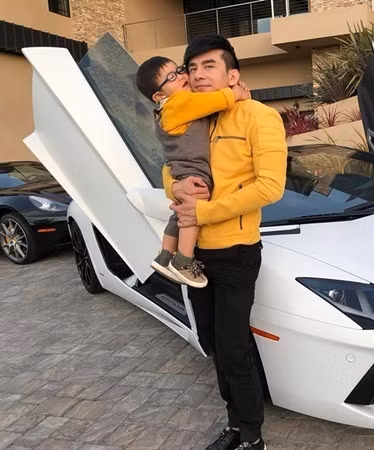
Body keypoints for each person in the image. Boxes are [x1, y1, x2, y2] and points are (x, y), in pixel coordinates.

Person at [164, 35, 287, 450]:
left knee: (234, 346)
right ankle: (235, 424)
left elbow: (270, 187)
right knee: (214, 344)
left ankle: (251, 436)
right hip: (195, 255)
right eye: (192, 68)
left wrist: (203, 212)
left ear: (232, 75)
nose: (198, 74)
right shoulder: (192, 117)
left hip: (235, 253)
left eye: (209, 66)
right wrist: (176, 186)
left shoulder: (259, 117)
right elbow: (168, 167)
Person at [135, 56, 250, 287]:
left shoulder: (167, 109)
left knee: (179, 214)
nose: (181, 76)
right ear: (158, 95)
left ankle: (165, 255)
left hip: (179, 170)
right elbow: (215, 101)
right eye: (171, 77)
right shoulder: (179, 102)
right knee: (192, 214)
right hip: (193, 171)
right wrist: (235, 93)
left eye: (178, 70)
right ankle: (183, 261)